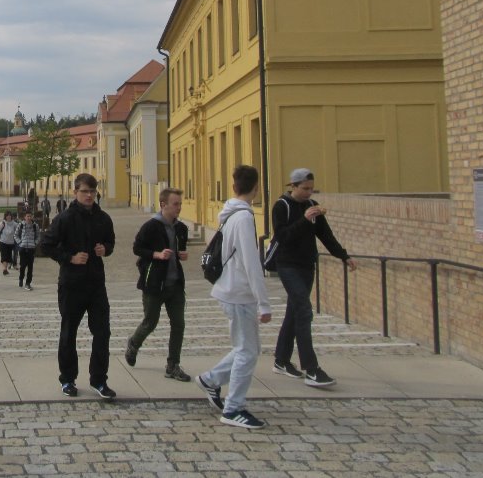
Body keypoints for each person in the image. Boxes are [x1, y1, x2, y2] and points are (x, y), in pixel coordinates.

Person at [195, 165, 272, 429]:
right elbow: (251, 263)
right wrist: (264, 303)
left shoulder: (230, 214)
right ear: (256, 188)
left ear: (233, 186)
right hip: (239, 292)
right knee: (246, 352)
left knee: (248, 348)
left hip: (231, 289)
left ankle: (211, 380)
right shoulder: (243, 218)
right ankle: (233, 408)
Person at [271, 168, 357, 387]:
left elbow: (325, 235)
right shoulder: (282, 206)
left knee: (294, 312)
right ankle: (311, 369)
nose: (309, 192)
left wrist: (343, 256)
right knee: (304, 311)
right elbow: (282, 237)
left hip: (307, 266)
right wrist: (304, 220)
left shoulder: (312, 205)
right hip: (287, 265)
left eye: (311, 189)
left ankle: (281, 360)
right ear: (293, 186)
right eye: (305, 188)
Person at [40, 173, 116, 400]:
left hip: (96, 283)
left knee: (102, 332)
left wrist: (105, 249)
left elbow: (110, 242)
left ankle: (99, 380)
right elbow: (46, 245)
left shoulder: (103, 218)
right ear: (75, 192)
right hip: (71, 283)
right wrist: (69, 258)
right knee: (68, 333)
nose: (89, 195)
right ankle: (67, 379)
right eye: (84, 191)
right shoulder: (65, 218)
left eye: (92, 191)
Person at [126, 188, 191, 382]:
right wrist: (157, 254)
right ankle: (134, 343)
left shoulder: (181, 228)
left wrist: (181, 255)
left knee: (178, 324)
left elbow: (180, 250)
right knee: (150, 322)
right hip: (154, 284)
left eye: (180, 204)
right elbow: (137, 248)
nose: (179, 207)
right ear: (163, 205)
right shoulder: (151, 227)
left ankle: (173, 365)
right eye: (175, 204)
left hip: (175, 284)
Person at [16, 211, 39, 290]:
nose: (29, 218)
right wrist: (20, 242)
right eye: (27, 216)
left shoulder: (35, 226)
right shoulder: (21, 225)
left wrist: (35, 243)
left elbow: (38, 236)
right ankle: (21, 278)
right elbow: (16, 235)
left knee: (30, 266)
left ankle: (28, 283)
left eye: (30, 216)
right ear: (25, 217)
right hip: (23, 248)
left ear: (32, 217)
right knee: (22, 266)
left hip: (31, 248)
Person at [0, 211, 19, 276]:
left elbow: (18, 231)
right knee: (4, 255)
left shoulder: (14, 224)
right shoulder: (3, 223)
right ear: (5, 216)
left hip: (10, 243)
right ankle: (4, 269)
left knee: (8, 256)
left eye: (10, 215)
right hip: (2, 242)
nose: (8, 217)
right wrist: (1, 229)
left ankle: (6, 268)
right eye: (7, 215)